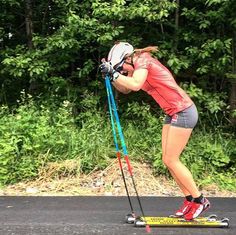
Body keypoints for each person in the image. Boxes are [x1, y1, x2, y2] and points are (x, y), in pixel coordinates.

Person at [99, 41, 210, 220]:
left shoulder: (143, 60)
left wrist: (113, 73)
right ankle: (190, 200)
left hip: (183, 110)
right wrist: (111, 77)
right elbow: (126, 89)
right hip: (173, 112)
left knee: (172, 159)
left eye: (122, 67)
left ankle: (200, 200)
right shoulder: (134, 66)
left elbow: (135, 84)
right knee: (167, 160)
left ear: (128, 58)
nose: (123, 70)